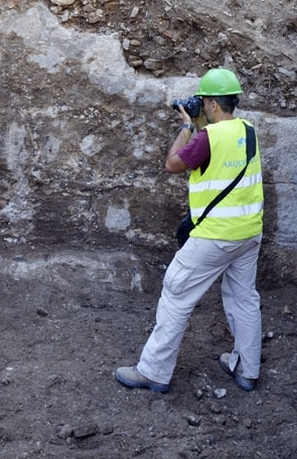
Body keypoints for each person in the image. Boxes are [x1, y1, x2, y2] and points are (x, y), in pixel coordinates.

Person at [115, 68, 263, 394]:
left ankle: (153, 372)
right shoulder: (248, 130)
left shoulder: (207, 137)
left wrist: (186, 126)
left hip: (217, 234)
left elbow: (173, 164)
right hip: (250, 231)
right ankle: (247, 370)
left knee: (176, 292)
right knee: (243, 299)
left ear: (210, 103)